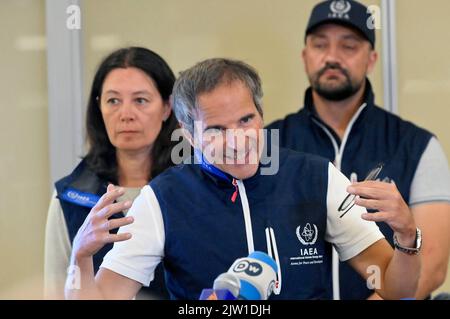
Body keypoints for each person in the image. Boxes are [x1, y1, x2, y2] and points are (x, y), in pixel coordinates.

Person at [65, 58, 421, 300]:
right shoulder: (162, 199)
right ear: (188, 135)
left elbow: (395, 288)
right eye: (216, 129)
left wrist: (406, 235)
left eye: (246, 121)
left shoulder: (315, 176)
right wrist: (81, 256)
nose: (236, 140)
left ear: (262, 115)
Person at [267, 0, 450, 300]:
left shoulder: (417, 145)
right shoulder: (270, 146)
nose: (332, 57)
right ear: (304, 56)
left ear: (372, 59)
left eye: (349, 46)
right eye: (320, 45)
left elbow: (432, 264)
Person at [44, 47, 181, 299]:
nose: (126, 115)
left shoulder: (191, 187)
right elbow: (55, 291)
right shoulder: (70, 195)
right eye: (113, 101)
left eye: (140, 100)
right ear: (100, 108)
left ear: (166, 107)